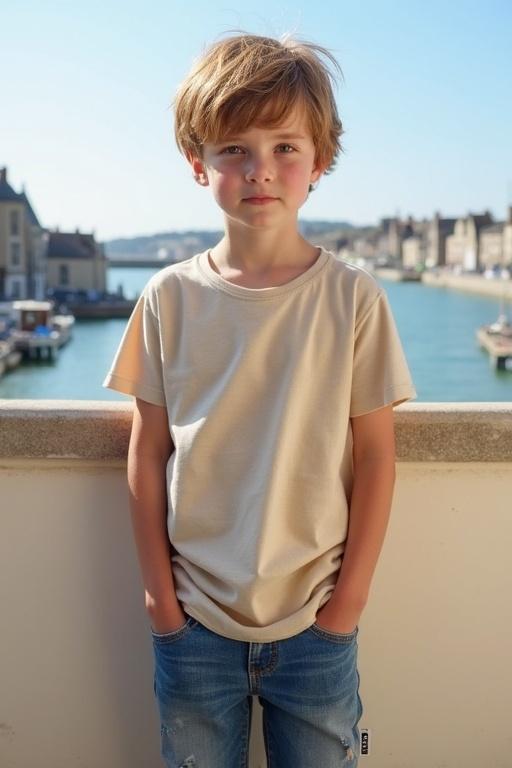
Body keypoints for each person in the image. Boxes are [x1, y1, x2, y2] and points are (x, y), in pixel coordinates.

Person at [103, 31, 417, 768]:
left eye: (284, 148)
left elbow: (375, 458)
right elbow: (148, 452)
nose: (260, 171)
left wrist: (347, 608)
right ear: (197, 162)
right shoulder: (167, 297)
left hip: (316, 624)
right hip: (194, 625)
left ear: (320, 162)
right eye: (234, 149)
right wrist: (161, 603)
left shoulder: (353, 298)